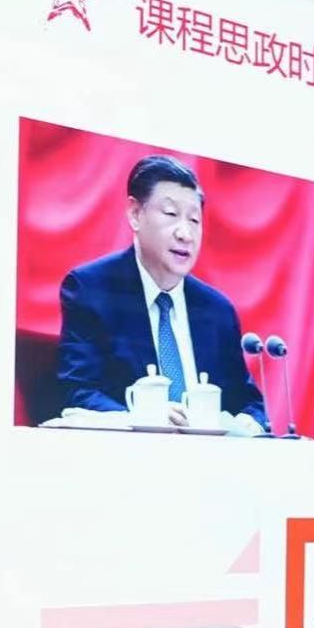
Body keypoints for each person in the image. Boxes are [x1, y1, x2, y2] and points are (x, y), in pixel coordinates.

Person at [56, 155, 269, 433]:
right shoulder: (93, 289)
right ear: (135, 214)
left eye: (194, 220)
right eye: (170, 214)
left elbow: (250, 404)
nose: (186, 234)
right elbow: (78, 392)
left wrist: (244, 427)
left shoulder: (217, 310)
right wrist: (147, 417)